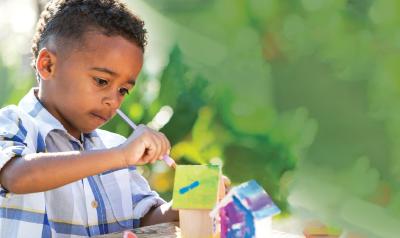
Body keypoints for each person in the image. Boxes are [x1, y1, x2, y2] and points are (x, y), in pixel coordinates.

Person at [0, 0, 179, 237]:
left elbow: (145, 218)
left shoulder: (114, 147)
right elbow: (17, 176)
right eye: (102, 81)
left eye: (123, 90)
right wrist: (121, 156)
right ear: (48, 65)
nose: (113, 101)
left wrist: (192, 201)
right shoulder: (12, 123)